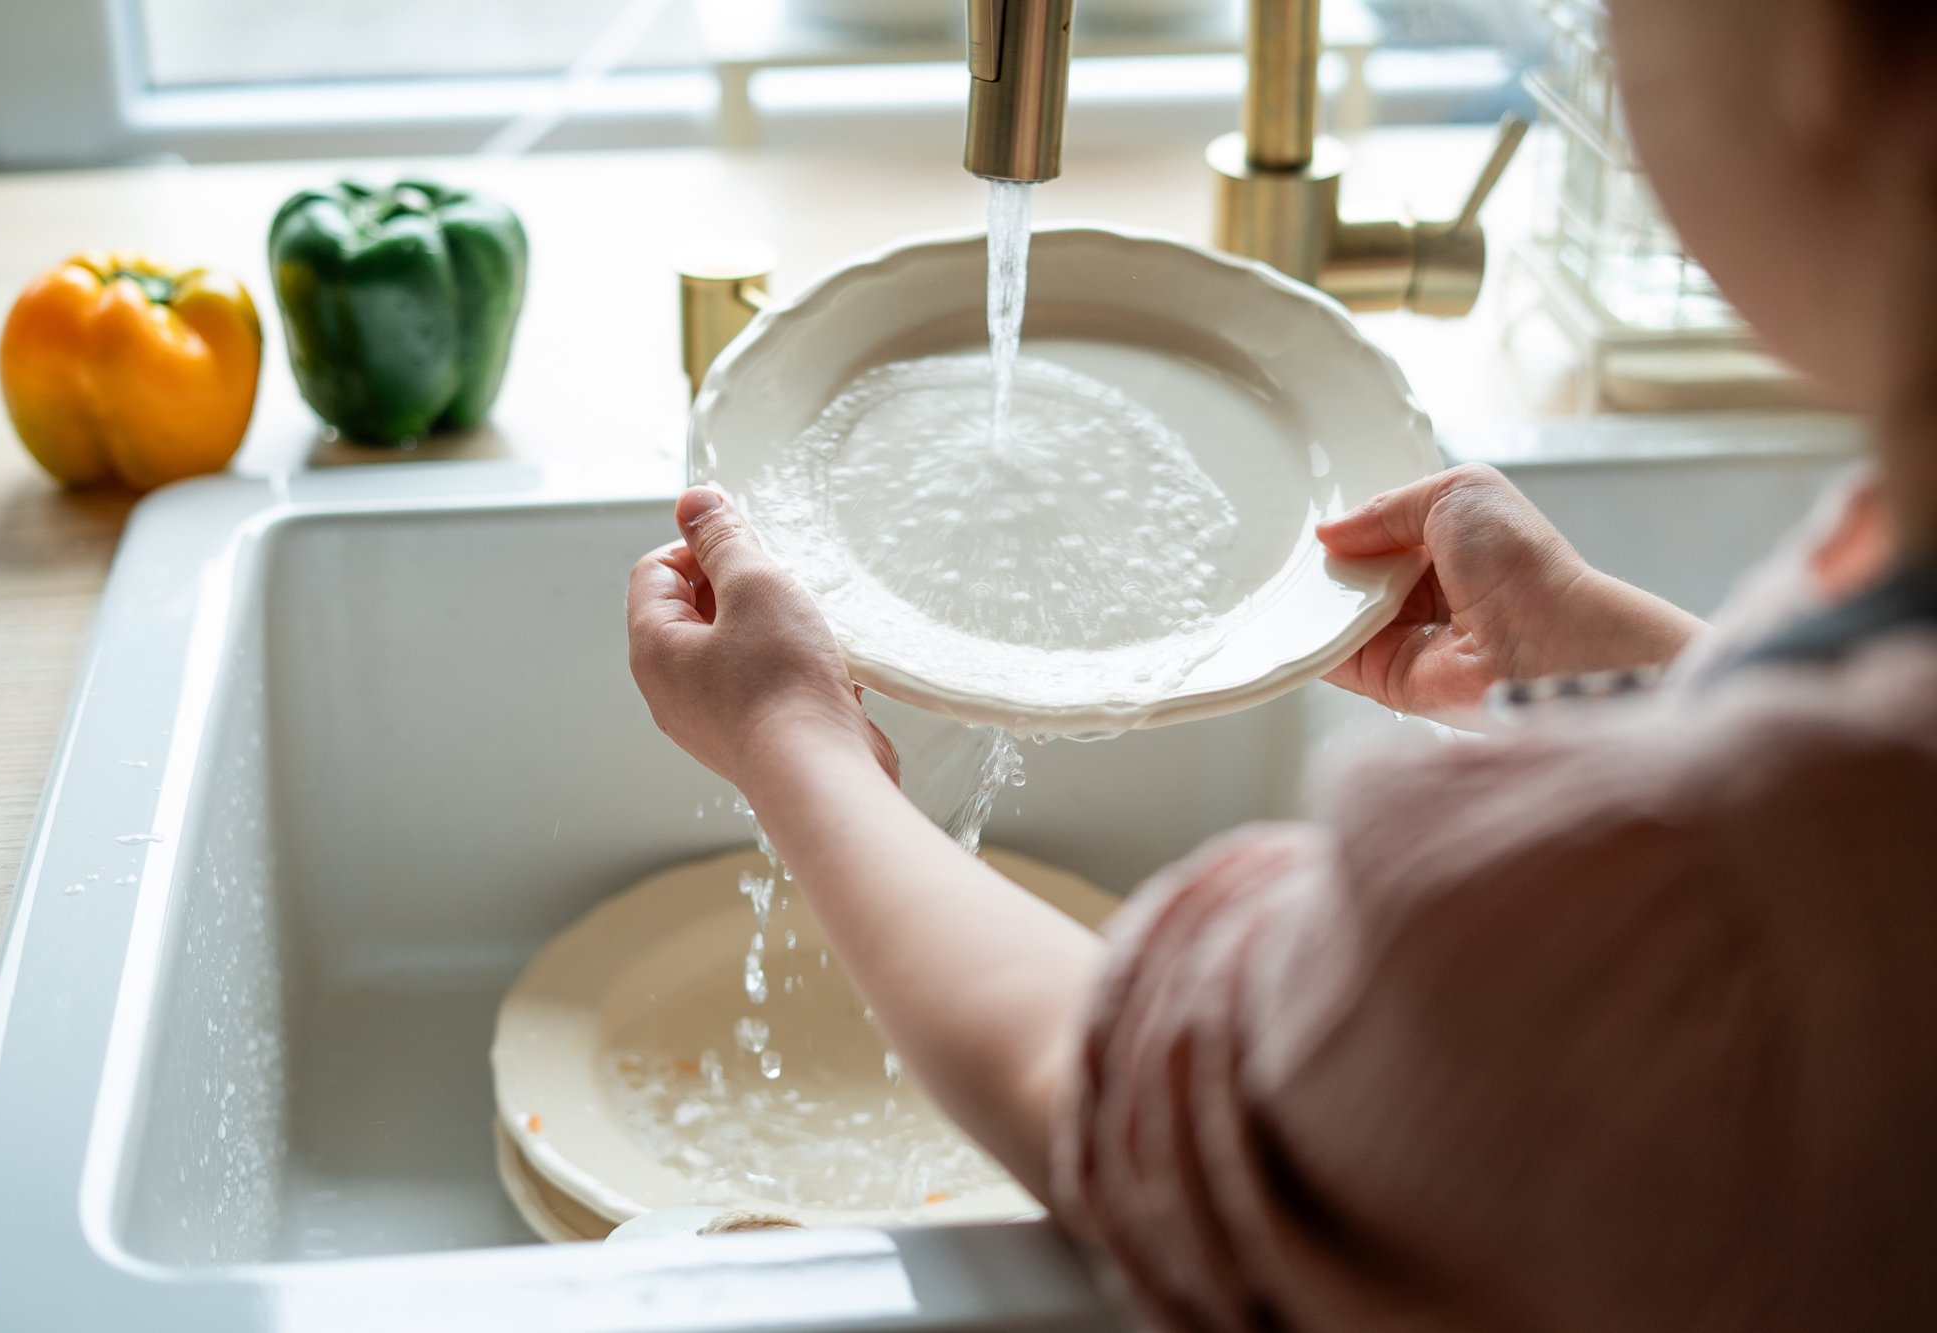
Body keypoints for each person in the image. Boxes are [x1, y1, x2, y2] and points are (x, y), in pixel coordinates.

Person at [626, 0, 1937, 1324]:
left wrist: (798, 740)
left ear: (1828, 48)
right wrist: (1602, 657)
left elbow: (1129, 1104)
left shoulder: (1681, 923)